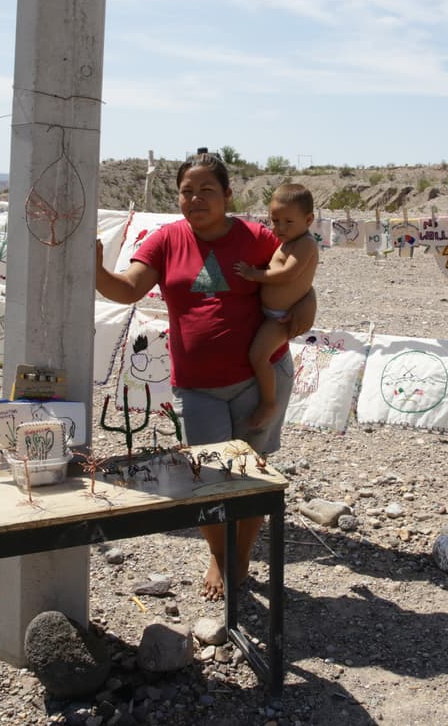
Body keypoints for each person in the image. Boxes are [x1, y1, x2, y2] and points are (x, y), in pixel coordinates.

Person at [94, 149, 316, 599]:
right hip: (197, 386)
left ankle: (239, 558)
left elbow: (299, 276)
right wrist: (94, 271)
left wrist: (307, 307)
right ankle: (219, 553)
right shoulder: (166, 240)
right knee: (207, 478)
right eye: (187, 191)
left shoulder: (257, 237)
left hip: (260, 377)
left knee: (251, 478)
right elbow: (129, 288)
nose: (195, 199)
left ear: (228, 194)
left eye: (207, 190)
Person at [233, 184, 320, 429]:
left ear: (309, 220)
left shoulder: (305, 244)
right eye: (275, 220)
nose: (280, 228)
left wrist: (254, 274)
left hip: (281, 318)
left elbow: (287, 274)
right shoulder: (288, 240)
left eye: (288, 222)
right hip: (271, 314)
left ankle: (269, 402)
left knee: (258, 356)